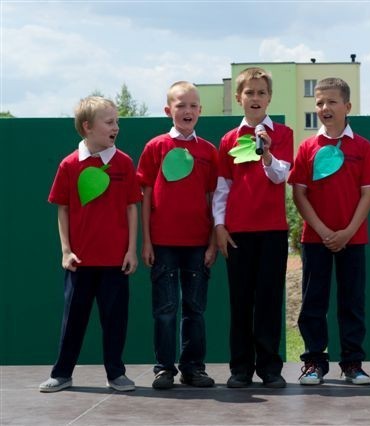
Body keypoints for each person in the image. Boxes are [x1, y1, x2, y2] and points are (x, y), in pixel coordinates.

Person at [40, 96, 140, 393]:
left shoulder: (124, 163)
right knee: (73, 321)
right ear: (88, 127)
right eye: (109, 122)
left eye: (117, 122)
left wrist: (131, 250)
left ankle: (116, 374)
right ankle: (62, 373)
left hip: (115, 262)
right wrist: (66, 250)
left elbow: (132, 207)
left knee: (115, 321)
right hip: (80, 262)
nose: (116, 128)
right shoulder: (69, 165)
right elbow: (63, 209)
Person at [288, 77, 370, 386]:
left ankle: (352, 364)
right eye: (319, 103)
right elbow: (299, 194)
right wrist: (325, 230)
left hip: (352, 240)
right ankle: (314, 362)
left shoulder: (363, 147)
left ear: (347, 106)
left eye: (331, 102)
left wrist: (346, 232)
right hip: (316, 240)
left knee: (351, 302)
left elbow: (368, 194)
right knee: (313, 302)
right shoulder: (307, 147)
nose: (324, 108)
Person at [213, 67, 293, 389]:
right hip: (238, 233)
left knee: (270, 300)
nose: (255, 98)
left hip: (272, 230)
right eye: (249, 93)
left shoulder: (283, 134)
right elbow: (222, 186)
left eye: (261, 93)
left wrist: (267, 151)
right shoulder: (229, 140)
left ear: (269, 98)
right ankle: (240, 368)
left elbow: (280, 175)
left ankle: (270, 368)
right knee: (241, 301)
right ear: (238, 98)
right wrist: (219, 226)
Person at [137, 81, 219, 390]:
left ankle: (193, 367)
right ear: (168, 110)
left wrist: (212, 243)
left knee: (195, 310)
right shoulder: (155, 147)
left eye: (193, 105)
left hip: (198, 244)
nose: (187, 111)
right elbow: (144, 194)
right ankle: (164, 369)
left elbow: (215, 198)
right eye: (180, 105)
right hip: (163, 244)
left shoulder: (209, 152)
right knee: (165, 310)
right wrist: (146, 241)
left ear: (200, 110)